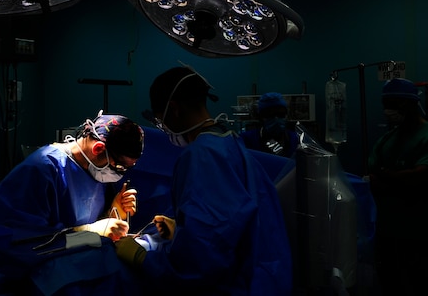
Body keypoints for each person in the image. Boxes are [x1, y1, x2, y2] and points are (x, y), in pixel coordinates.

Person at [114, 66, 293, 295]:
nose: (164, 128)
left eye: (160, 121)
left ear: (174, 110)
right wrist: (181, 231)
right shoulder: (229, 142)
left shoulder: (202, 156)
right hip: (266, 277)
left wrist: (142, 259)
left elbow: (202, 261)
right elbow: (231, 220)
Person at [0, 111, 145, 241]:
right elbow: (29, 243)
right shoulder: (41, 171)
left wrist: (112, 212)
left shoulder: (94, 169)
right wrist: (89, 235)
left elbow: (79, 222)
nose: (119, 173)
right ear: (98, 149)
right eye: (119, 166)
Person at [367, 78, 428, 296]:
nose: (388, 110)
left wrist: (386, 175)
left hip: (421, 234)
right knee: (390, 285)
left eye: (394, 103)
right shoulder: (387, 140)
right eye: (386, 103)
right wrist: (397, 179)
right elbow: (373, 180)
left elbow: (419, 178)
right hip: (387, 233)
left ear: (411, 103)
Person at [240, 92, 299, 158]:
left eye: (280, 114)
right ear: (260, 118)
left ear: (286, 115)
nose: (276, 119)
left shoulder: (295, 140)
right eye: (270, 115)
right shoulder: (247, 139)